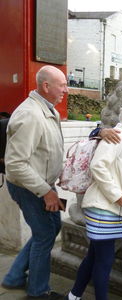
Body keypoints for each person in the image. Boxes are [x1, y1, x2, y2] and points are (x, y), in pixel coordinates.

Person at [66, 103, 122, 300]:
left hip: (106, 206)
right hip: (105, 207)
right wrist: (117, 195)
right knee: (104, 260)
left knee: (94, 255)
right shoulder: (118, 136)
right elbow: (98, 166)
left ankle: (74, 295)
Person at [2, 65, 67, 299]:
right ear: (46, 86)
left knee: (51, 229)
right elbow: (16, 164)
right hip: (29, 187)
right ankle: (39, 292)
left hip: (43, 184)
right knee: (44, 235)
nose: (66, 90)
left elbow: (45, 151)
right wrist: (45, 191)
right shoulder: (30, 114)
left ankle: (14, 277)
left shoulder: (49, 110)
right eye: (62, 85)